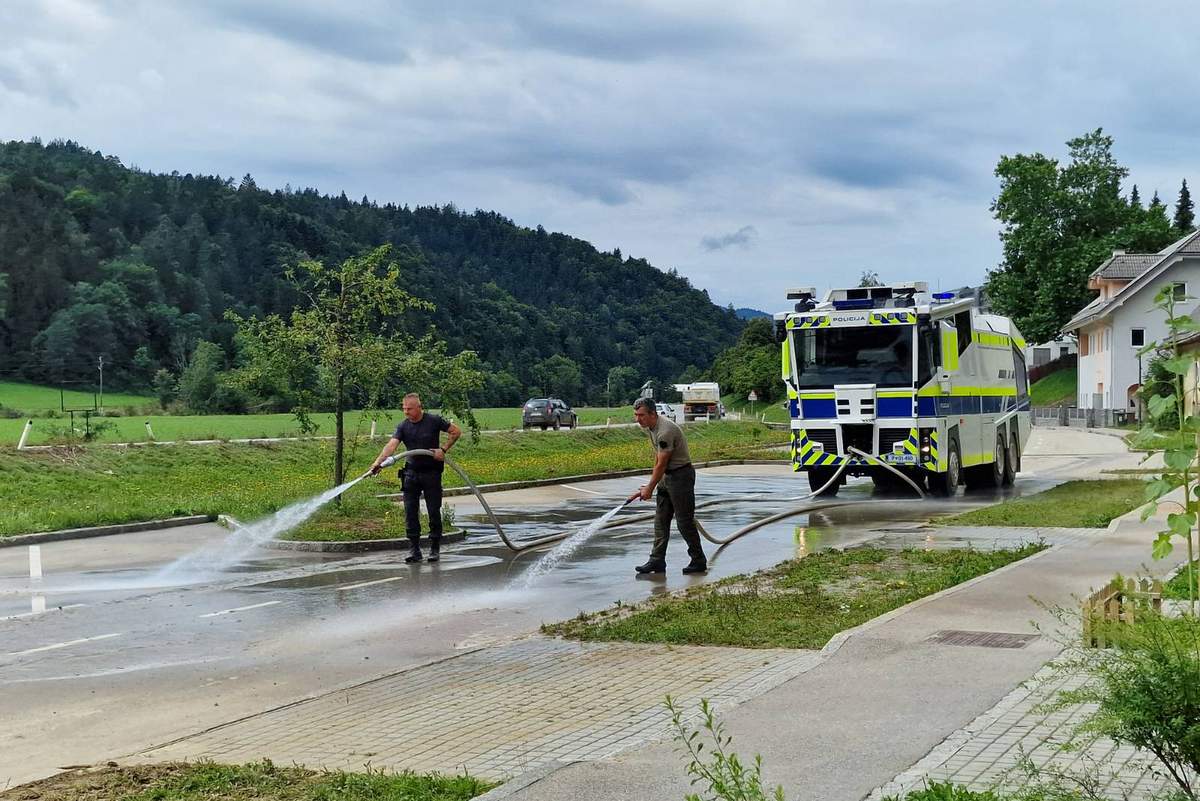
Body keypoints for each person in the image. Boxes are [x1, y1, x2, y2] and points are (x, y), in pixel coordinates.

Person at [370, 393, 461, 563]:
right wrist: (378, 463)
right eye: (404, 409)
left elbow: (456, 432)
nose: (406, 412)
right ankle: (414, 550)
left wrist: (443, 449)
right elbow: (391, 446)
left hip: (431, 473)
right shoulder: (403, 426)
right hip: (411, 474)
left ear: (419, 407)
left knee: (433, 511)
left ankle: (434, 548)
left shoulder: (433, 421)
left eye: (409, 409)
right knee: (410, 512)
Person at [626, 397, 707, 575]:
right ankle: (657, 561)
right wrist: (650, 484)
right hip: (666, 476)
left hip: (680, 476)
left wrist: (649, 488)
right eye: (635, 415)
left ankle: (698, 560)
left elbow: (663, 462)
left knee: (684, 522)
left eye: (641, 415)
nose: (637, 419)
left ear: (652, 414)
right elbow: (658, 457)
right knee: (661, 520)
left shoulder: (666, 430)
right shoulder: (651, 428)